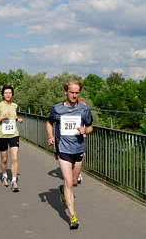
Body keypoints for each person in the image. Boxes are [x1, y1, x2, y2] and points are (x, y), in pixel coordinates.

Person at [46, 79, 93, 229]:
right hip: (63, 149)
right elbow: (49, 122)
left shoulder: (84, 109)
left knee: (72, 182)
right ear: (66, 91)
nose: (74, 95)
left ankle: (62, 189)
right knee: (68, 182)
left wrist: (85, 130)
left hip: (78, 149)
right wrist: (51, 136)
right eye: (71, 92)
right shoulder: (57, 109)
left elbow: (91, 127)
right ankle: (73, 216)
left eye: (77, 93)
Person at [0, 85, 23, 192]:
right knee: (4, 159)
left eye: (10, 93)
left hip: (14, 134)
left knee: (15, 158)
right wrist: (3, 117)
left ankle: (14, 180)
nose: (8, 95)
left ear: (12, 94)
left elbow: (13, 115)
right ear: (3, 95)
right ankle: (4, 175)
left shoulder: (14, 105)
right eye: (6, 93)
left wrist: (18, 119)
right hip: (2, 135)